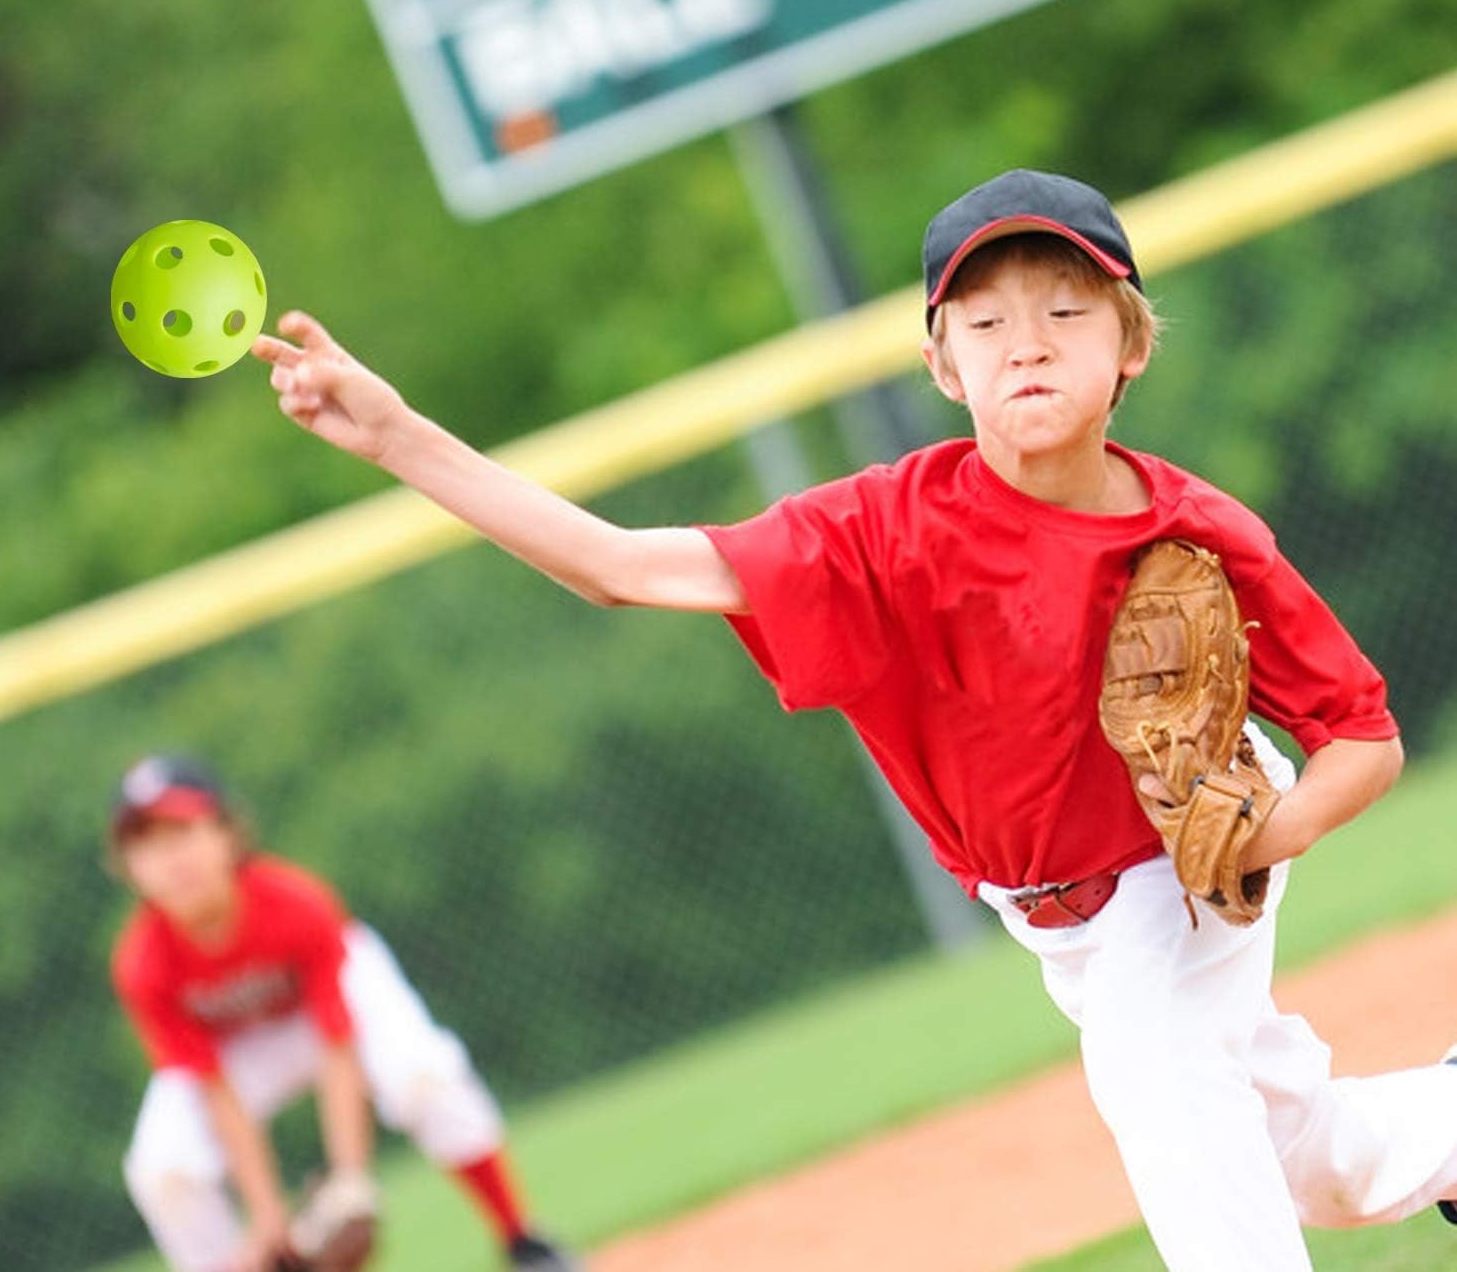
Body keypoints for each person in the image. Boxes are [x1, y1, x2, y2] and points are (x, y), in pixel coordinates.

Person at [252, 168, 1457, 1270]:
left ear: (1132, 342)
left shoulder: (1196, 532)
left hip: (1179, 858)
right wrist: (397, 437)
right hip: (1053, 911)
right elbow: (621, 565)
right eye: (983, 323)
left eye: (1065, 311)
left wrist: (1260, 837)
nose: (1024, 346)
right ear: (942, 365)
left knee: (1172, 1110)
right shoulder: (883, 533)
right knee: (1304, 1156)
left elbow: (1364, 738)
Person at [109, 753, 580, 1272]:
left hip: (337, 1006)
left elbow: (338, 1041)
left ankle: (524, 1240)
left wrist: (349, 1179)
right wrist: (268, 1218)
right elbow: (214, 1090)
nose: (171, 859)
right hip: (238, 1048)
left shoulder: (295, 902)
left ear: (227, 833)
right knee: (163, 1167)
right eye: (146, 845)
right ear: (128, 867)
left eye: (182, 833)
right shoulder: (143, 963)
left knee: (419, 1074)